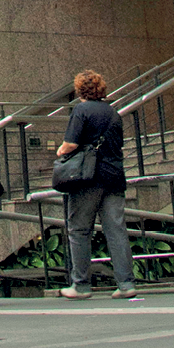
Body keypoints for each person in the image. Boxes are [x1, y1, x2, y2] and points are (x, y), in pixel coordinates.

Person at [55, 71, 137, 301]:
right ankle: (126, 283)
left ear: (80, 90)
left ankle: (81, 285)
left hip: (87, 177)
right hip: (114, 176)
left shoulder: (81, 111)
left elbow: (71, 143)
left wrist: (60, 151)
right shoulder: (113, 112)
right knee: (116, 230)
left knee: (79, 230)